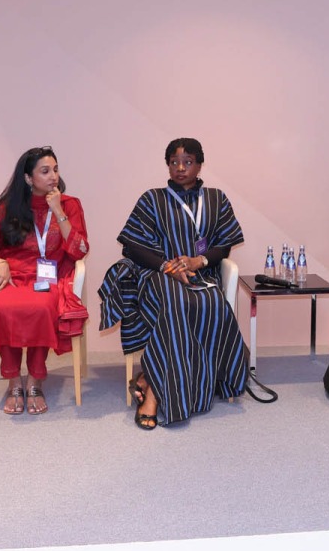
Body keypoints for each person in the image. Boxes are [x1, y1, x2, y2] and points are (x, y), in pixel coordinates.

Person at [99, 138, 248, 430]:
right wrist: (168, 266)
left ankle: (151, 380)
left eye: (188, 162)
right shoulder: (152, 198)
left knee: (211, 302)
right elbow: (131, 246)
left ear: (199, 164)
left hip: (200, 275)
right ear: (167, 165)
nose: (180, 168)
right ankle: (153, 394)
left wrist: (197, 262)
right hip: (155, 274)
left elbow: (225, 246)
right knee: (175, 303)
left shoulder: (217, 199)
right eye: (174, 162)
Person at [0, 146, 89, 415]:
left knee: (42, 307)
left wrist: (58, 212)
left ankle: (34, 381)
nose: (53, 176)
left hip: (48, 278)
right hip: (12, 276)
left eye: (55, 169)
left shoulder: (70, 205)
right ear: (28, 178)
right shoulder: (7, 208)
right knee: (2, 307)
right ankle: (13, 382)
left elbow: (79, 250)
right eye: (45, 171)